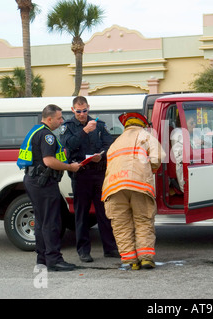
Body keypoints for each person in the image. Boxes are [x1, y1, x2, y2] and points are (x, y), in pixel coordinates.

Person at [18, 104, 81, 271]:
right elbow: (49, 161)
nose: (62, 121)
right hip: (43, 183)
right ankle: (54, 259)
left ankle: (43, 258)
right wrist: (70, 167)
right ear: (49, 119)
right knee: (51, 222)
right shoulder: (48, 136)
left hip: (34, 180)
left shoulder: (36, 131)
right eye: (59, 118)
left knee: (41, 221)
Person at [102, 112, 165, 270]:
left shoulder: (115, 142)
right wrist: (147, 170)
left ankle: (131, 261)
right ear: (142, 124)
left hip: (113, 186)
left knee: (121, 224)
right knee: (143, 220)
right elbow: (157, 158)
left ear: (126, 125)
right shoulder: (146, 136)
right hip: (139, 185)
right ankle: (145, 258)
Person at [60, 96, 118, 263]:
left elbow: (109, 145)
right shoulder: (68, 127)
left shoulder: (99, 125)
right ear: (73, 110)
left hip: (99, 173)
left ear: (88, 108)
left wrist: (101, 156)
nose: (82, 114)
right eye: (78, 111)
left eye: (85, 110)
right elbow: (68, 145)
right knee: (81, 215)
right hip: (81, 175)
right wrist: (84, 131)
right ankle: (83, 251)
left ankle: (110, 248)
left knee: (104, 213)